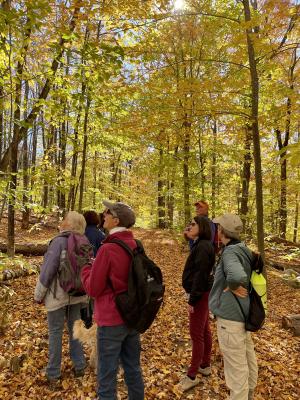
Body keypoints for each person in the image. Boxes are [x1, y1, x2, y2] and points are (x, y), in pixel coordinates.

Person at [81, 201, 144, 400]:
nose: (103, 214)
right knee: (133, 369)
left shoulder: (108, 249)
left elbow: (93, 288)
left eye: (107, 212)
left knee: (107, 376)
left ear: (115, 220)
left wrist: (86, 268)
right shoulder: (135, 244)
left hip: (111, 319)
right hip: (132, 316)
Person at [34, 211, 88, 387]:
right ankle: (80, 366)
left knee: (56, 333)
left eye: (65, 220)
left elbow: (48, 270)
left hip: (58, 296)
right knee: (76, 331)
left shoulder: (58, 242)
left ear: (70, 224)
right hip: (78, 295)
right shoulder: (84, 242)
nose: (62, 222)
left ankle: (53, 374)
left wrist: (38, 295)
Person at [209, 213, 258, 400]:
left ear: (222, 231)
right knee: (247, 361)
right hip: (241, 315)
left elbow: (237, 275)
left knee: (236, 371)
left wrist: (232, 285)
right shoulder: (242, 248)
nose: (217, 230)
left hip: (230, 319)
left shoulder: (230, 252)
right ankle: (249, 395)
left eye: (218, 227)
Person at [179, 216, 216, 392]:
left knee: (196, 334)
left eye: (193, 224)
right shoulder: (202, 244)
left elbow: (201, 276)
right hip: (202, 293)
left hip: (200, 295)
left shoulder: (203, 246)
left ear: (202, 227)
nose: (189, 226)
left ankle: (192, 375)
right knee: (204, 329)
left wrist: (192, 299)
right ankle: (205, 364)